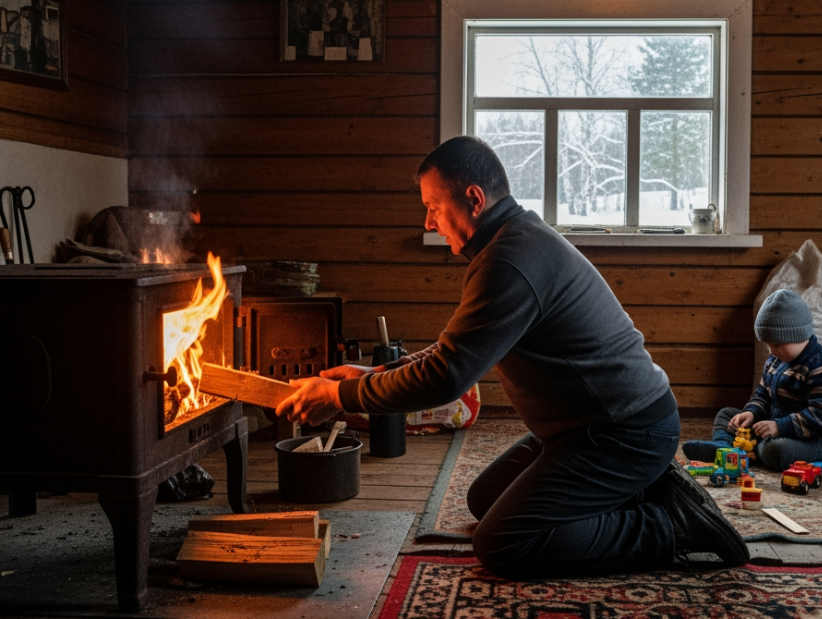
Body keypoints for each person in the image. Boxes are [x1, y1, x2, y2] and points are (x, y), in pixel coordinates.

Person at [278, 135, 748, 579]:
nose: (428, 224)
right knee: (486, 499)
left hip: (622, 434)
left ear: (474, 200)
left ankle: (672, 527)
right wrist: (377, 373)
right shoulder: (511, 241)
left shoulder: (509, 261)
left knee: (504, 542)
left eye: (433, 208)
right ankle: (642, 489)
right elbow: (454, 351)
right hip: (582, 432)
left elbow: (447, 377)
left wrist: (343, 394)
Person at [681, 289, 822, 471]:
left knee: (773, 449)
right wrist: (751, 413)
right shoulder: (776, 361)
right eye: (768, 345)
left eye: (777, 345)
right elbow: (763, 394)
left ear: (798, 336)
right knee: (727, 414)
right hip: (777, 427)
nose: (771, 351)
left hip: (819, 440)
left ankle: (751, 450)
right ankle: (723, 447)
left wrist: (780, 427)